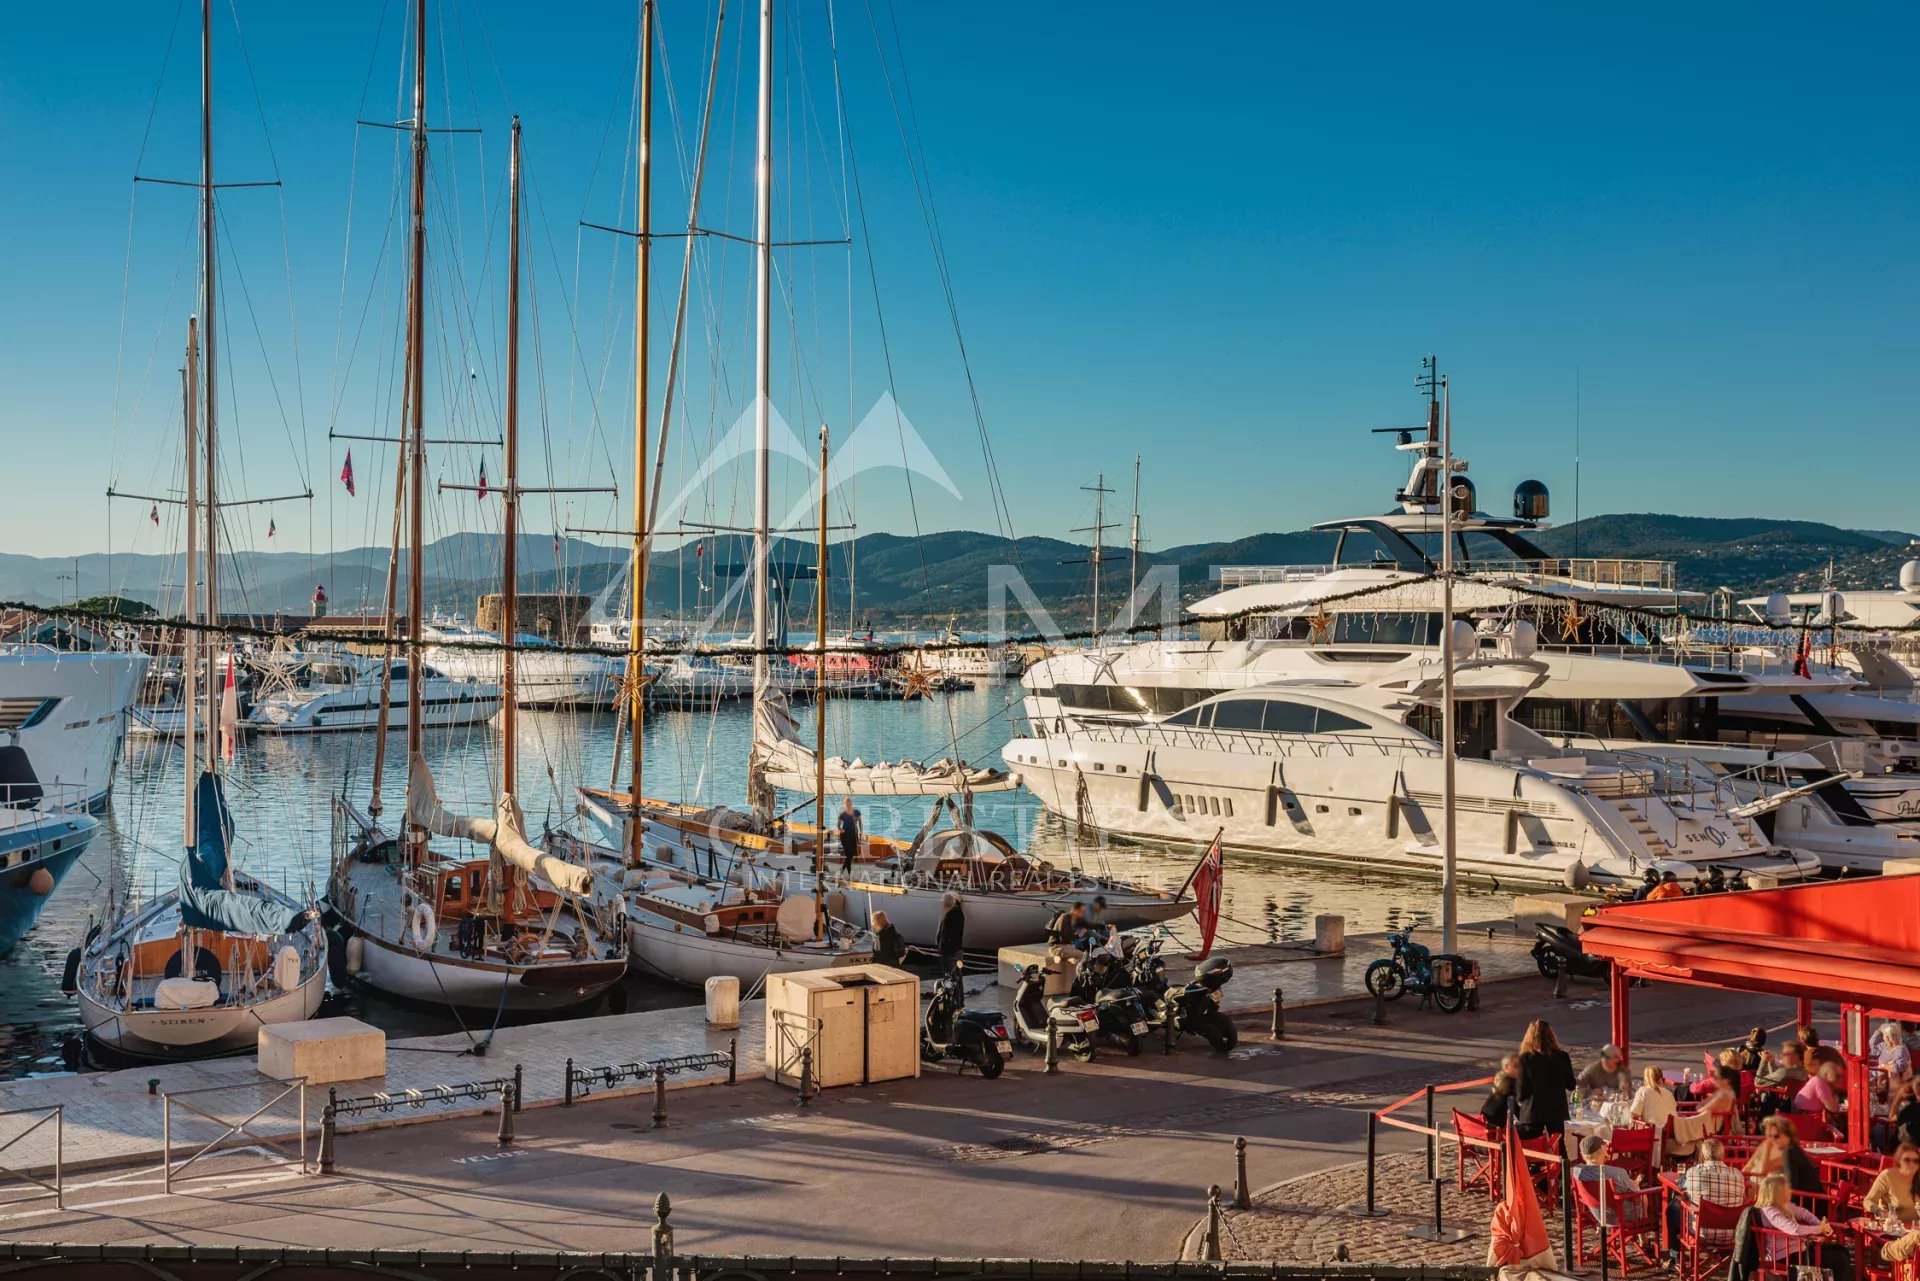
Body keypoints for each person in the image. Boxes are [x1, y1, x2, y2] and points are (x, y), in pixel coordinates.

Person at [1752, 1172, 1850, 1281]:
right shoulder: (1770, 1211)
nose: (1789, 1191)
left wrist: (1819, 1224)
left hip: (1799, 1250)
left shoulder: (1783, 1205)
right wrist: (1819, 1229)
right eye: (1785, 1189)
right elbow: (1794, 1229)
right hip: (1785, 1257)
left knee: (1841, 1250)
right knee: (1839, 1259)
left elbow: (1803, 1213)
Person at [1514, 1019, 1576, 1142]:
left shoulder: (1524, 1059)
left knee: (1534, 1146)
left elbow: (1521, 1092)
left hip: (1533, 1111)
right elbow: (1571, 1085)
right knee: (1558, 1145)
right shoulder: (1562, 1057)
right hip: (1556, 1110)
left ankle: (1538, 1162)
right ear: (1551, 1036)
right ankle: (1562, 1161)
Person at [1679, 1138, 1748, 1246]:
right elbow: (1743, 1198)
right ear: (1723, 1155)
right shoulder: (1738, 1175)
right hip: (1732, 1235)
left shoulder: (1693, 1172)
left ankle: (1675, 1254)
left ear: (1703, 1155)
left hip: (1700, 1233)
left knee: (1675, 1206)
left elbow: (1681, 1187)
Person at [1744, 1115, 1823, 1194]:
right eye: (1769, 1136)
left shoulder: (1790, 1152)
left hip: (1807, 1202)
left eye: (1776, 1136)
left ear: (1788, 1136)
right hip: (1767, 1194)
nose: (1772, 1140)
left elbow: (1763, 1171)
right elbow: (1746, 1169)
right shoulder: (1771, 1147)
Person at [1631, 1065, 1681, 1155]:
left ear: (1646, 1079)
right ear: (1661, 1079)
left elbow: (1634, 1114)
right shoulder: (1669, 1093)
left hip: (1649, 1137)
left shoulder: (1643, 1091)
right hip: (1668, 1136)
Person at [1863, 1143, 1920, 1222]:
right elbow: (1868, 1200)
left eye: (1916, 1161)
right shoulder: (1887, 1176)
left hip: (1915, 1225)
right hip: (1894, 1227)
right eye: (1907, 1160)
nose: (1911, 1164)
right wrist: (1878, 1211)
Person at [1795, 1060, 1847, 1130]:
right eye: (1836, 1075)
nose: (1840, 1079)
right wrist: (1843, 1108)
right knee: (1838, 1125)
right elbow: (1831, 1107)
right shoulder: (1821, 1082)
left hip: (1803, 1114)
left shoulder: (1820, 1081)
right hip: (1805, 1117)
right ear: (1826, 1074)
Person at [935, 893, 965, 967]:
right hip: (956, 948)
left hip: (949, 949)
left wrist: (941, 946)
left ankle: (950, 976)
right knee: (956, 970)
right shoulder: (958, 913)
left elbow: (946, 934)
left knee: (949, 968)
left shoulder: (949, 915)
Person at [837, 798, 863, 876]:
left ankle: (842, 869)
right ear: (844, 804)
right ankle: (849, 874)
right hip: (845, 836)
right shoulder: (842, 814)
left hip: (854, 835)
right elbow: (838, 825)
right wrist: (841, 830)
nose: (848, 805)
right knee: (848, 855)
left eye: (849, 803)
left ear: (852, 803)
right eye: (846, 804)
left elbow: (860, 823)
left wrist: (861, 832)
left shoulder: (857, 812)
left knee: (851, 854)